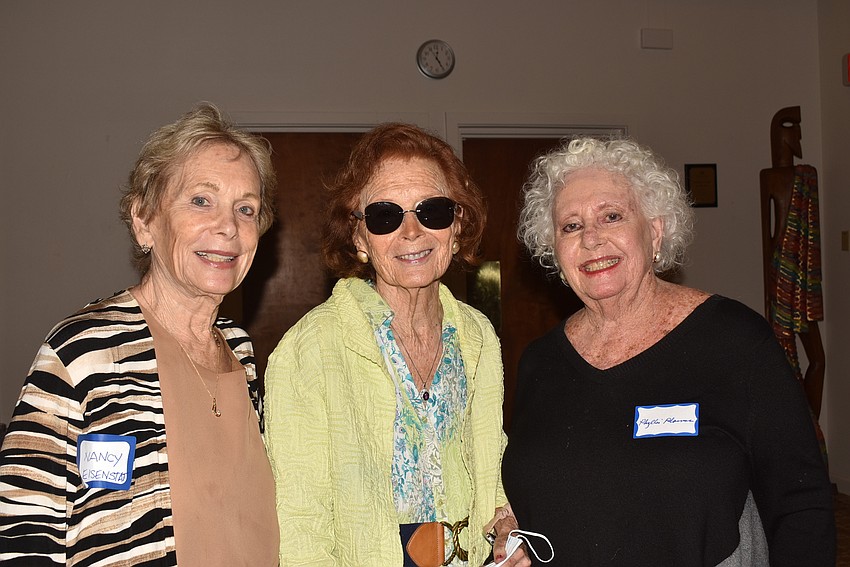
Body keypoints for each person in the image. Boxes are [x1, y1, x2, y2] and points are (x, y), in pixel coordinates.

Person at [502, 137, 835, 565]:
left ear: (654, 232)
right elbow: (538, 485)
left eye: (612, 216)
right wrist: (513, 526)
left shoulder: (734, 340)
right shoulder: (540, 362)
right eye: (570, 226)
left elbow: (801, 500)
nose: (591, 239)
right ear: (555, 250)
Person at [0, 103, 279, 565]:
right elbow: (23, 530)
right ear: (144, 220)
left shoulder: (242, 351)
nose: (228, 226)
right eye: (200, 200)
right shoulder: (84, 349)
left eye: (245, 208)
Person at [263, 123, 529, 567]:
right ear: (358, 237)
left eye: (434, 211)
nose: (411, 232)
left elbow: (490, 464)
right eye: (385, 215)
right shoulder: (311, 348)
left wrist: (506, 525)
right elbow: (299, 526)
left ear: (457, 225)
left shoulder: (477, 335)